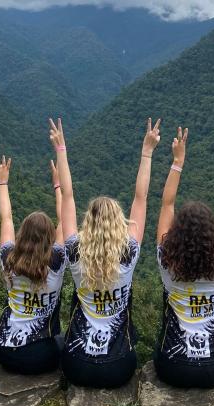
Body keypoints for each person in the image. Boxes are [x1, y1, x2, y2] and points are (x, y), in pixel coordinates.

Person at [50, 117, 159, 388]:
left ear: (88, 223)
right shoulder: (129, 252)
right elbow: (141, 198)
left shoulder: (74, 252)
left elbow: (68, 197)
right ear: (119, 223)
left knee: (60, 337)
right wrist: (147, 152)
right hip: (118, 368)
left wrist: (61, 151)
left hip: (77, 365)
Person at [154, 128, 214, 388]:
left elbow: (166, 206)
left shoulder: (167, 262)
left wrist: (177, 162)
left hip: (172, 367)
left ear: (175, 235)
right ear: (213, 234)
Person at [0, 154, 67, 375]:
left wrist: (2, 182)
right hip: (41, 356)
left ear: (22, 234)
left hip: (4, 350)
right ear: (50, 238)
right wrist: (58, 184)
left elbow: (6, 219)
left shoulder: (9, 258)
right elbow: (64, 219)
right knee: (66, 341)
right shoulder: (56, 260)